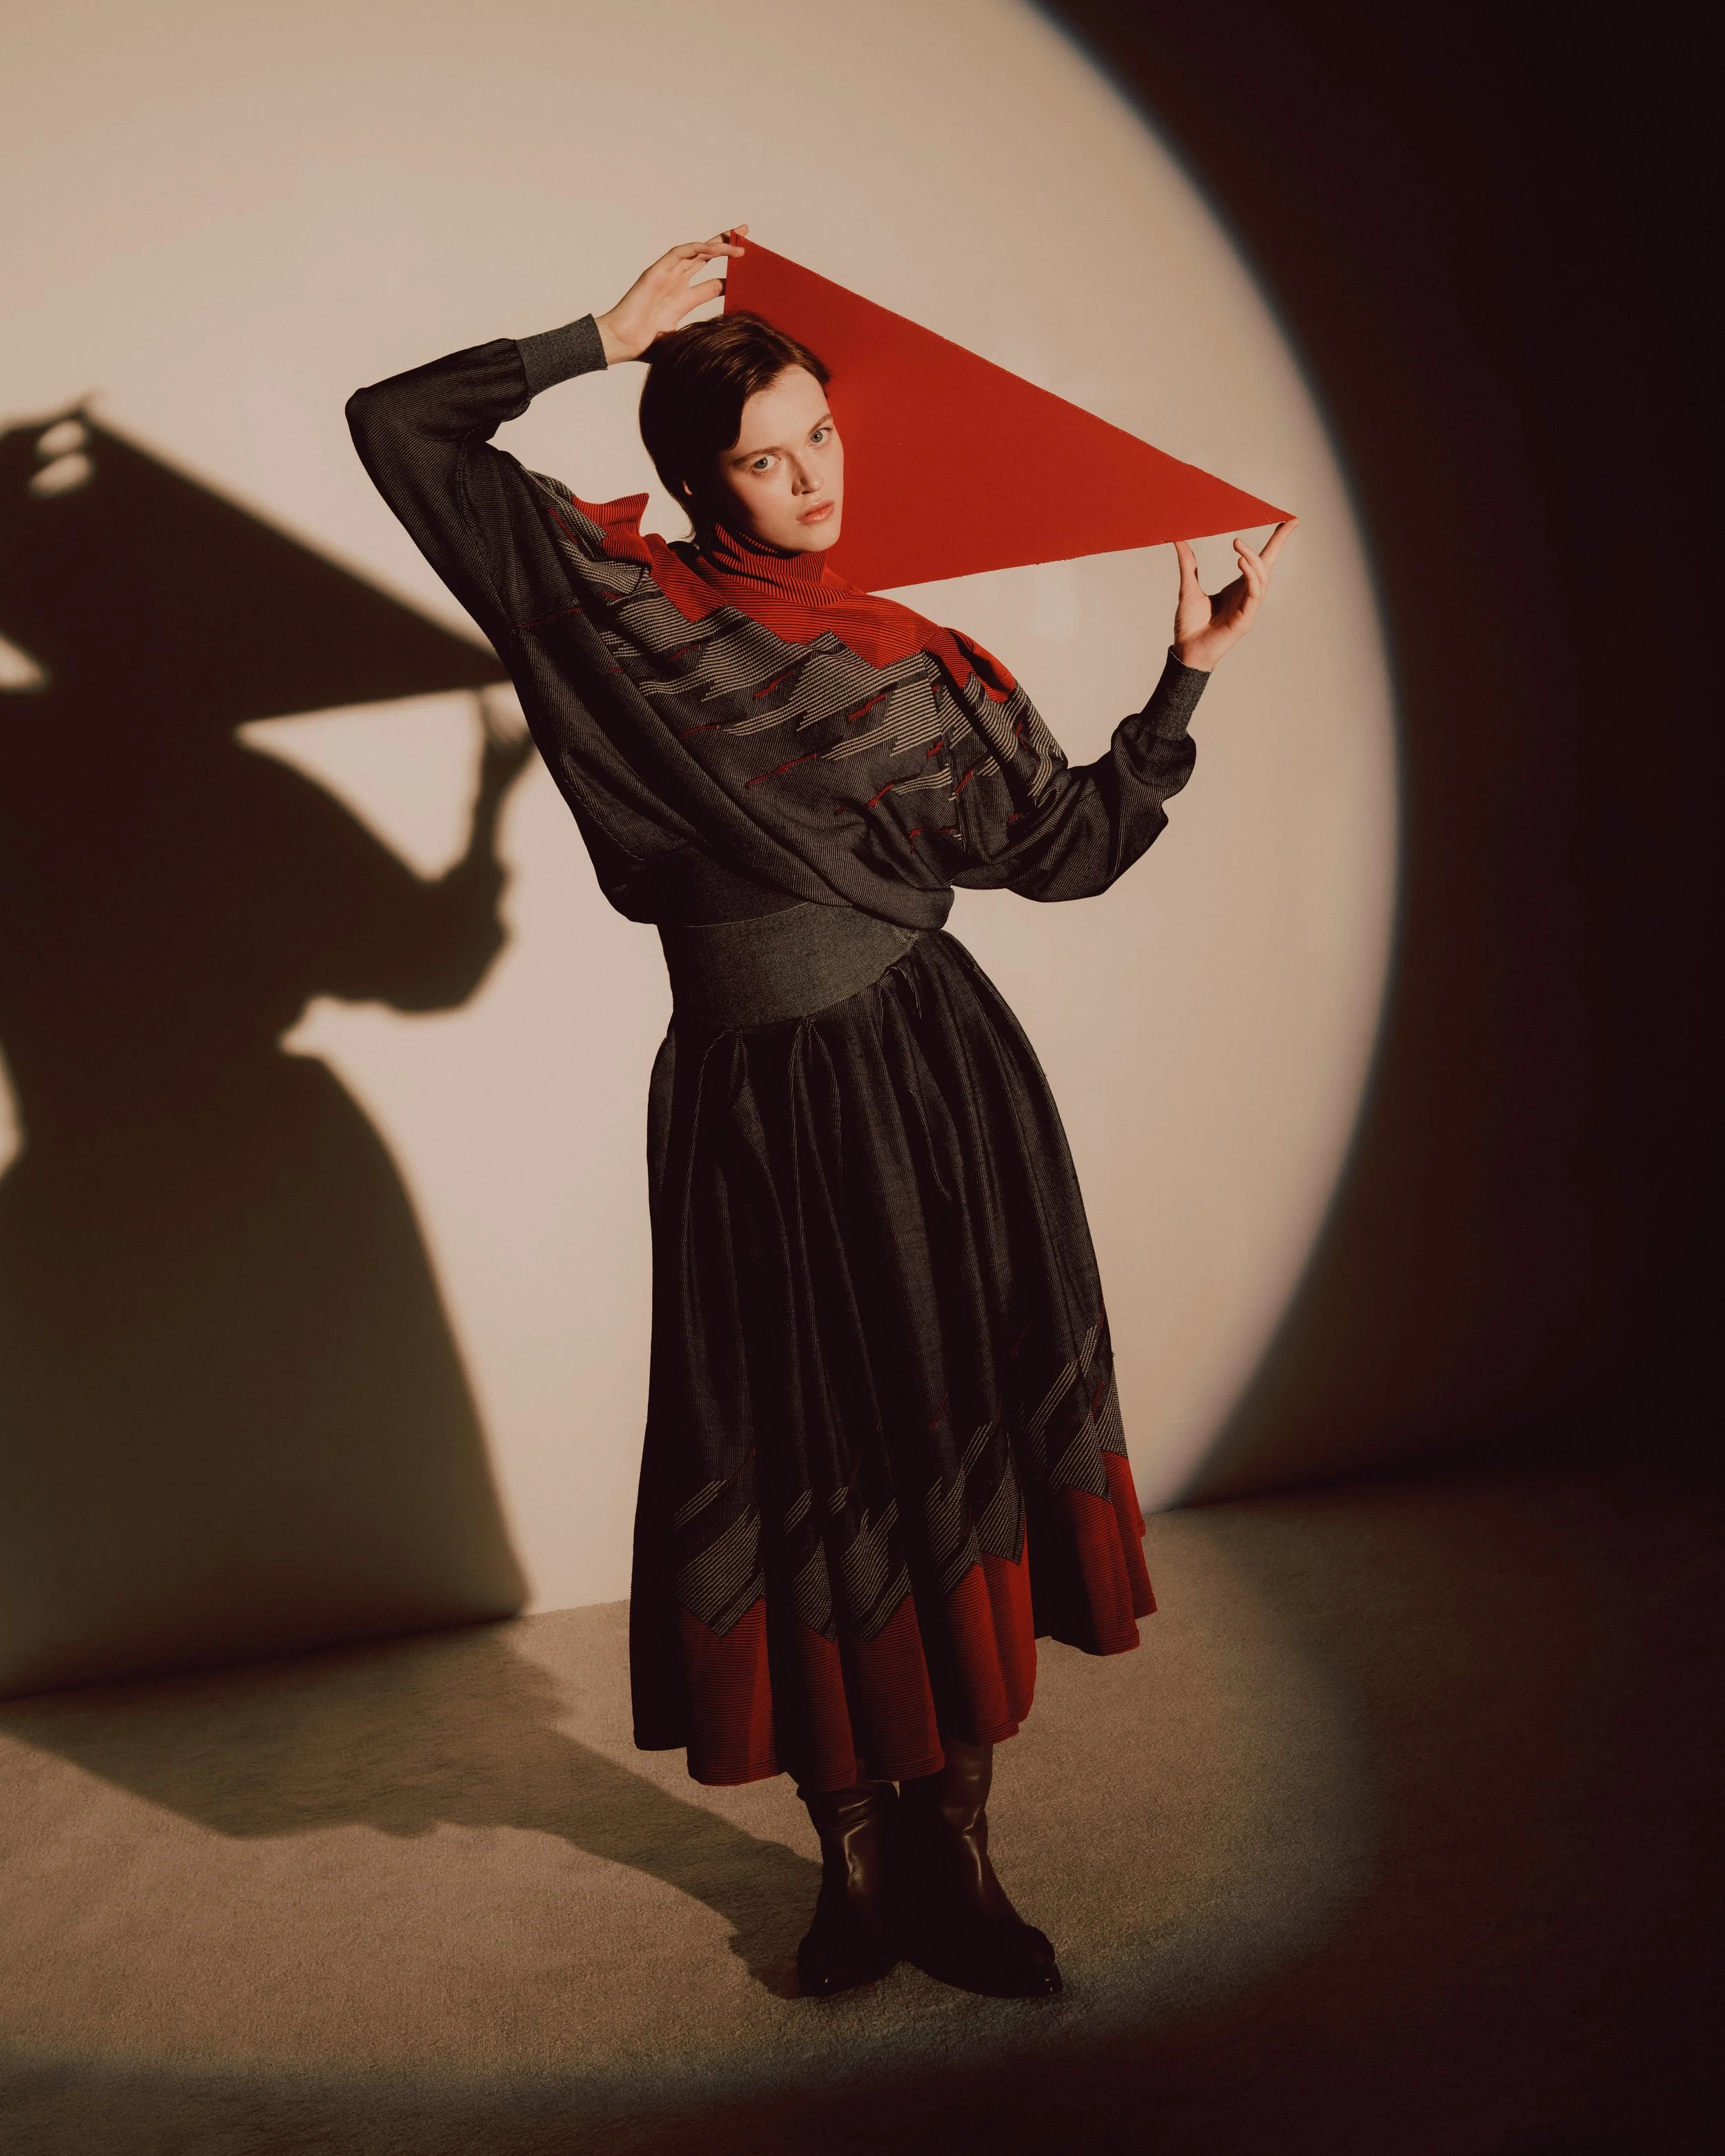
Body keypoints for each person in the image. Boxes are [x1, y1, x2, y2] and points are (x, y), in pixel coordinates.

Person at [347, 228, 1292, 2002]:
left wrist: (1185, 679)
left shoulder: (915, 656)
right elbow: (397, 428)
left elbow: (1068, 850)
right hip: (747, 1111)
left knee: (940, 1449)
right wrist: (595, 334)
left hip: (930, 1086)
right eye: (765, 458)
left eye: (821, 442)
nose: (807, 485)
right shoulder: (605, 601)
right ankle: (853, 1869)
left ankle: (964, 1854)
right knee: (787, 1461)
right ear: (694, 474)